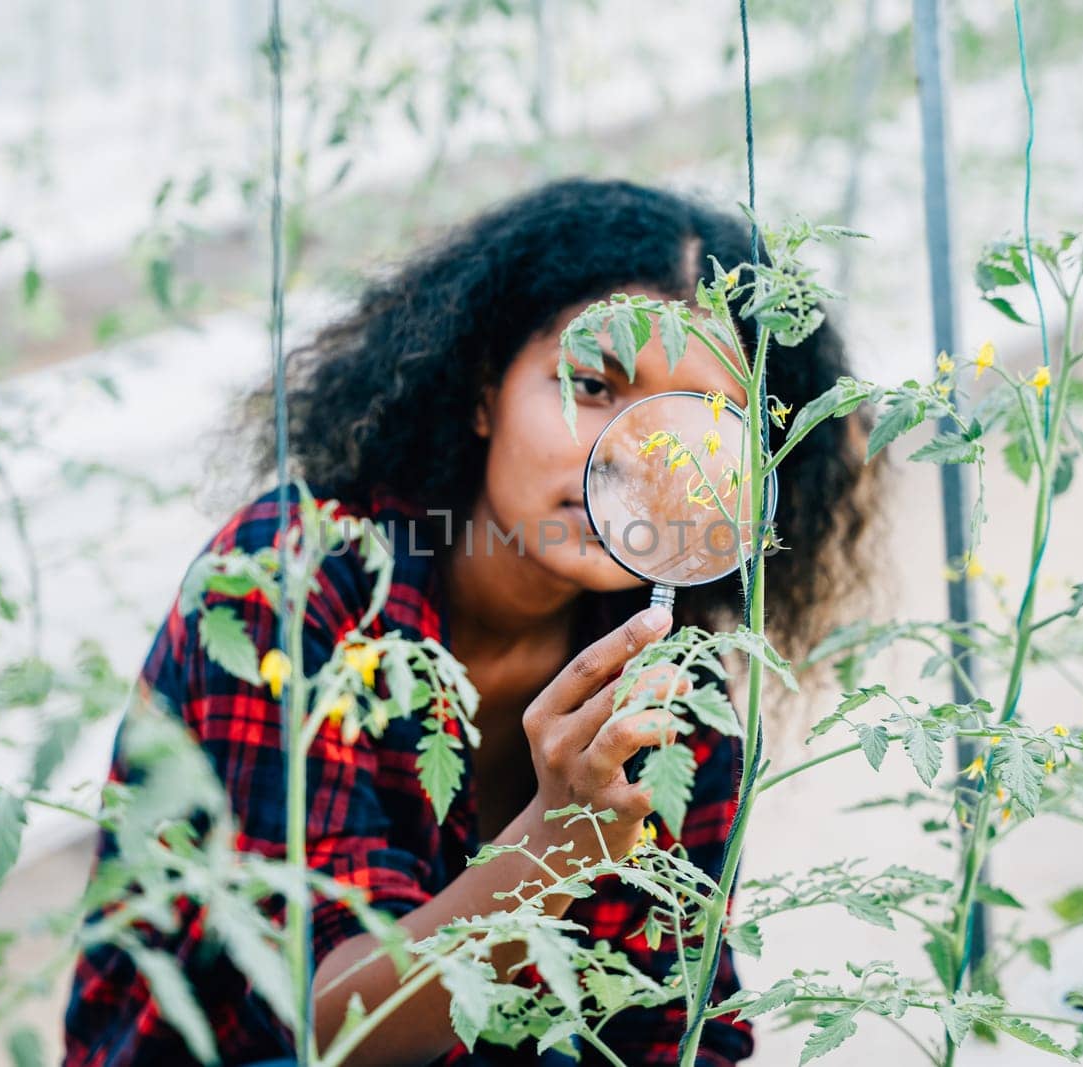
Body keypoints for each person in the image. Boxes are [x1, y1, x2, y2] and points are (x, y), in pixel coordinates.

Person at [63, 178, 877, 1066]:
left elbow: (673, 1026)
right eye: (594, 385)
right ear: (486, 389)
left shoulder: (674, 679)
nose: (638, 454)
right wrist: (557, 843)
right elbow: (319, 1023)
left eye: (694, 426)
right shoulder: (295, 580)